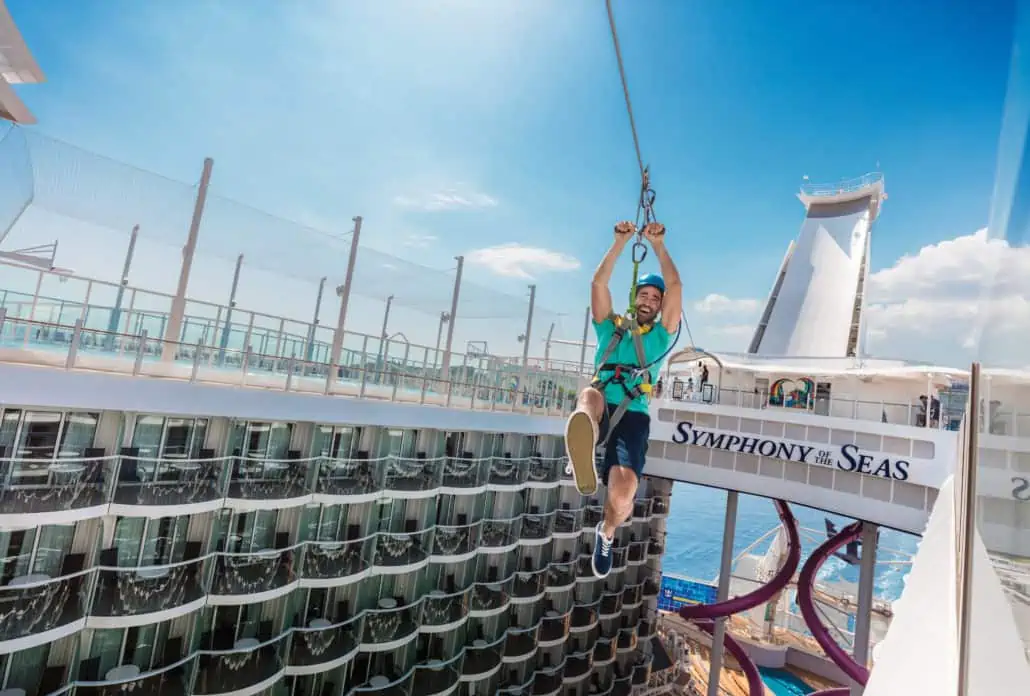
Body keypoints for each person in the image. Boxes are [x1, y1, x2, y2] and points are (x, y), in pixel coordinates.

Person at [564, 219, 683, 578]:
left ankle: (608, 532)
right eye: (643, 294)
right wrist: (619, 243)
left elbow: (676, 285)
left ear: (660, 307)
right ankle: (581, 446)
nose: (648, 301)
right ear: (634, 298)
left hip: (634, 413)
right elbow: (598, 283)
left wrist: (659, 246)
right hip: (602, 400)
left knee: (624, 489)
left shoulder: (662, 337)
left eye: (655, 298)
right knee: (589, 397)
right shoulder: (610, 327)